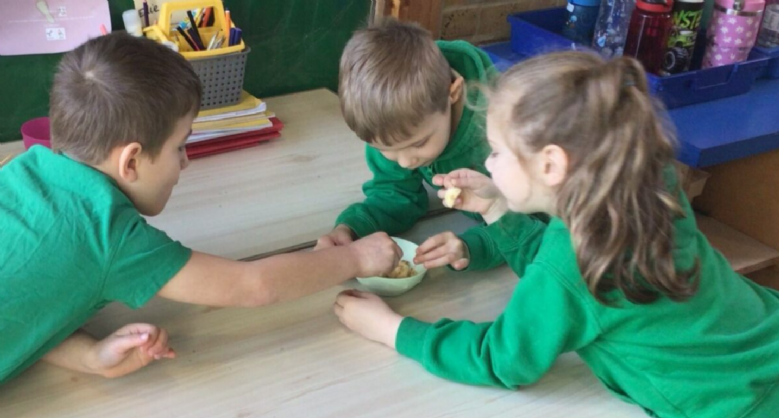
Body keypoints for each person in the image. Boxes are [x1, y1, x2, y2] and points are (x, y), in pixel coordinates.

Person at [334, 51, 779, 418]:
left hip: (732, 403)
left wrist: (393, 330)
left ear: (550, 165)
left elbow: (502, 358)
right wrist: (496, 209)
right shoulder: (644, 179)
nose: (487, 163)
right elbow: (571, 285)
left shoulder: (572, 266)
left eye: (497, 152)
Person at [0, 33, 401, 384]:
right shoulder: (110, 234)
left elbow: (24, 302)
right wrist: (356, 258)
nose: (186, 162)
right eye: (179, 147)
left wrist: (90, 358)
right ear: (131, 162)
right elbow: (254, 285)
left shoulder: (17, 170)